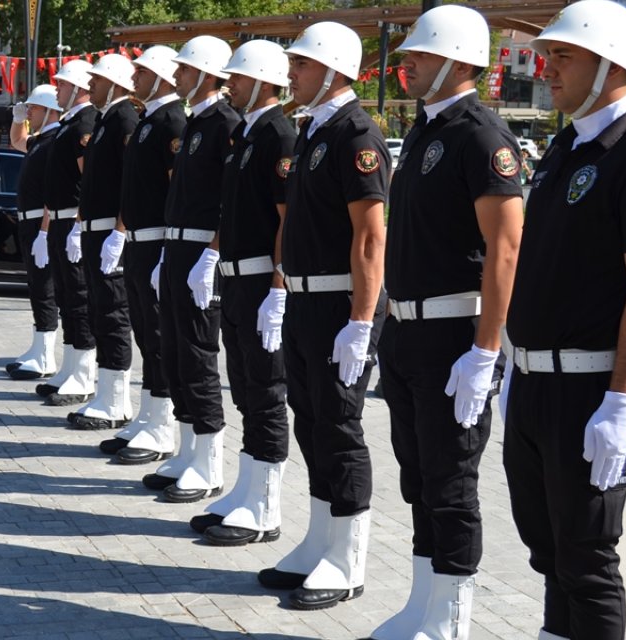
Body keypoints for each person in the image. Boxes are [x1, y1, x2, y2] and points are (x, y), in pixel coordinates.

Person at [370, 7, 525, 639]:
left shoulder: (481, 135)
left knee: (451, 480)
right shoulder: (430, 130)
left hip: (455, 337)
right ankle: (422, 605)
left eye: (420, 56)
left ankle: (450, 622)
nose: (406, 63)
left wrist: (486, 350)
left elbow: (506, 247)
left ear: (460, 60)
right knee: (418, 475)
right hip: (407, 332)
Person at [504, 2, 626, 638]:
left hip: (591, 390)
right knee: (550, 551)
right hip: (534, 381)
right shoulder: (566, 144)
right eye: (547, 54)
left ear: (611, 64)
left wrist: (624, 401)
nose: (545, 67)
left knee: (587, 559)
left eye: (564, 56)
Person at [256, 22, 390, 611]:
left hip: (341, 301)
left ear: (333, 71)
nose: (293, 74)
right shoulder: (316, 130)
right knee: (309, 420)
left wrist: (362, 321)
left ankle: (350, 556)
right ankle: (320, 539)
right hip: (309, 298)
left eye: (303, 65)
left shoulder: (355, 133)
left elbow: (369, 237)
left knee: (338, 427)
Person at [191, 39, 294, 545]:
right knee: (247, 389)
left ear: (264, 80)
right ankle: (247, 488)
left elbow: (284, 219)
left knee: (267, 393)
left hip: (259, 277)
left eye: (240, 77)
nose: (231, 84)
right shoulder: (249, 133)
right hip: (235, 274)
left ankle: (267, 506)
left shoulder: (279, 133)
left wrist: (279, 286)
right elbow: (229, 210)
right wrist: (212, 255)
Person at [130, 38, 236, 502]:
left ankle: (209, 462)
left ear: (209, 73)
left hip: (198, 251)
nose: (179, 78)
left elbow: (229, 203)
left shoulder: (225, 125)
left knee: (197, 356)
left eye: (187, 70)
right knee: (173, 353)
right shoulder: (197, 123)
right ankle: (189, 449)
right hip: (176, 249)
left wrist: (212, 254)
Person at [101, 47, 189, 472]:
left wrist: (168, 248)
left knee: (157, 337)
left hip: (157, 239)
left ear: (163, 77)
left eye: (143, 71)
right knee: (145, 333)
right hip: (139, 238)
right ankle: (149, 414)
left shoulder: (173, 120)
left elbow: (177, 190)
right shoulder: (150, 120)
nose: (134, 76)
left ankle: (163, 424)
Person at [64, 53, 139, 426]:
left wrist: (120, 232)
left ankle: (117, 402)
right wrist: (80, 225)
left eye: (96, 79)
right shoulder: (108, 119)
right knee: (99, 312)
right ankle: (106, 394)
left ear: (114, 82)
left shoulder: (125, 117)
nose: (89, 84)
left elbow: (130, 181)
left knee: (113, 314)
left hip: (111, 228)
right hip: (95, 228)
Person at [35, 59, 99, 407]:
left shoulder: (84, 123)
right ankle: (70, 366)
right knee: (65, 296)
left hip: (72, 220)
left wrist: (78, 222)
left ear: (77, 89)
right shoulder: (68, 124)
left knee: (78, 298)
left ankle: (83, 374)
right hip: (59, 220)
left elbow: (86, 179)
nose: (56, 89)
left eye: (62, 85)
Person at [6, 85, 63, 378]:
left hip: (42, 222)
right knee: (36, 286)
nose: (28, 112)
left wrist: (44, 231)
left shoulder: (55, 141)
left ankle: (45, 356)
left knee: (45, 288)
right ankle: (38, 346)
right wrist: (18, 119)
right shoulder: (42, 140)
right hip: (29, 221)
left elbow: (54, 192)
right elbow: (17, 140)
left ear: (50, 110)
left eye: (33, 108)